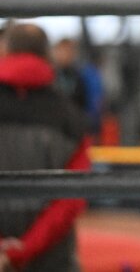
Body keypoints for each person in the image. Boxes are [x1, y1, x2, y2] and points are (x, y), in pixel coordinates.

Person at [0, 23, 91, 272]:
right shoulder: (71, 117)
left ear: (5, 51)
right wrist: (25, 247)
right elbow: (72, 197)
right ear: (47, 55)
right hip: (51, 259)